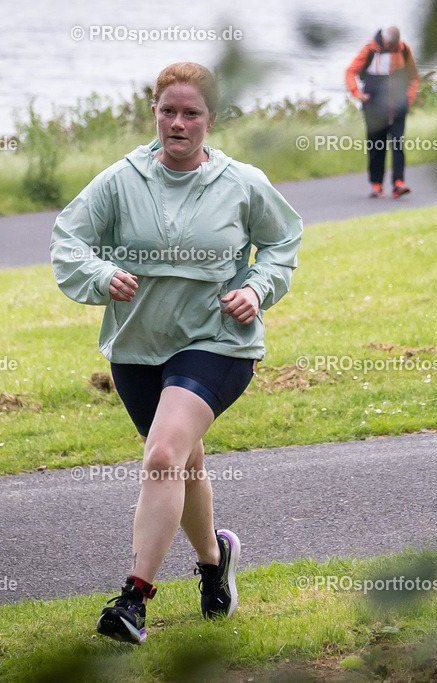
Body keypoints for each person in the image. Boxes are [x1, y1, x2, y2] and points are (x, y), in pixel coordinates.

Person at [50, 62, 303, 642]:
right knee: (181, 463)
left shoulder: (242, 183)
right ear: (154, 114)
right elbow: (69, 239)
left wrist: (256, 288)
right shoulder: (121, 180)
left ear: (211, 119)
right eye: (169, 111)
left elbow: (283, 240)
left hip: (219, 340)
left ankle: (132, 602)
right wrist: (100, 275)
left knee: (162, 453)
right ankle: (215, 561)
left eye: (191, 113)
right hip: (138, 348)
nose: (178, 123)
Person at [345, 25, 421, 198]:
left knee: (398, 144)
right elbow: (350, 72)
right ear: (384, 40)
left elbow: (413, 77)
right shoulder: (369, 50)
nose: (393, 47)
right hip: (374, 109)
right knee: (376, 146)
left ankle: (398, 184)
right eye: (390, 45)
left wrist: (408, 99)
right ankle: (376, 185)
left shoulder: (404, 50)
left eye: (395, 44)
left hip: (398, 108)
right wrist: (357, 93)